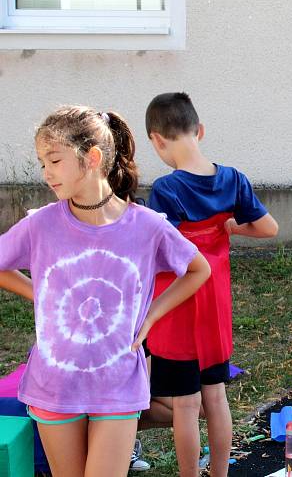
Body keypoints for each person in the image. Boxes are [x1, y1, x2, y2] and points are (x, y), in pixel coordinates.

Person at [0, 105, 210, 476]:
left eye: (54, 160)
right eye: (41, 163)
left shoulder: (146, 226)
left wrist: (151, 315)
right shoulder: (41, 224)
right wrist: (40, 294)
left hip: (117, 386)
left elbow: (197, 269)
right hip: (54, 387)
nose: (46, 173)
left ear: (92, 158)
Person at [142, 92, 279, 477]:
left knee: (185, 406)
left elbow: (163, 250)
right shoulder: (233, 179)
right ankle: (219, 473)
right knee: (216, 399)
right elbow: (269, 228)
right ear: (199, 131)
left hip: (177, 308)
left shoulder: (166, 190)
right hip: (215, 308)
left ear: (157, 140)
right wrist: (231, 225)